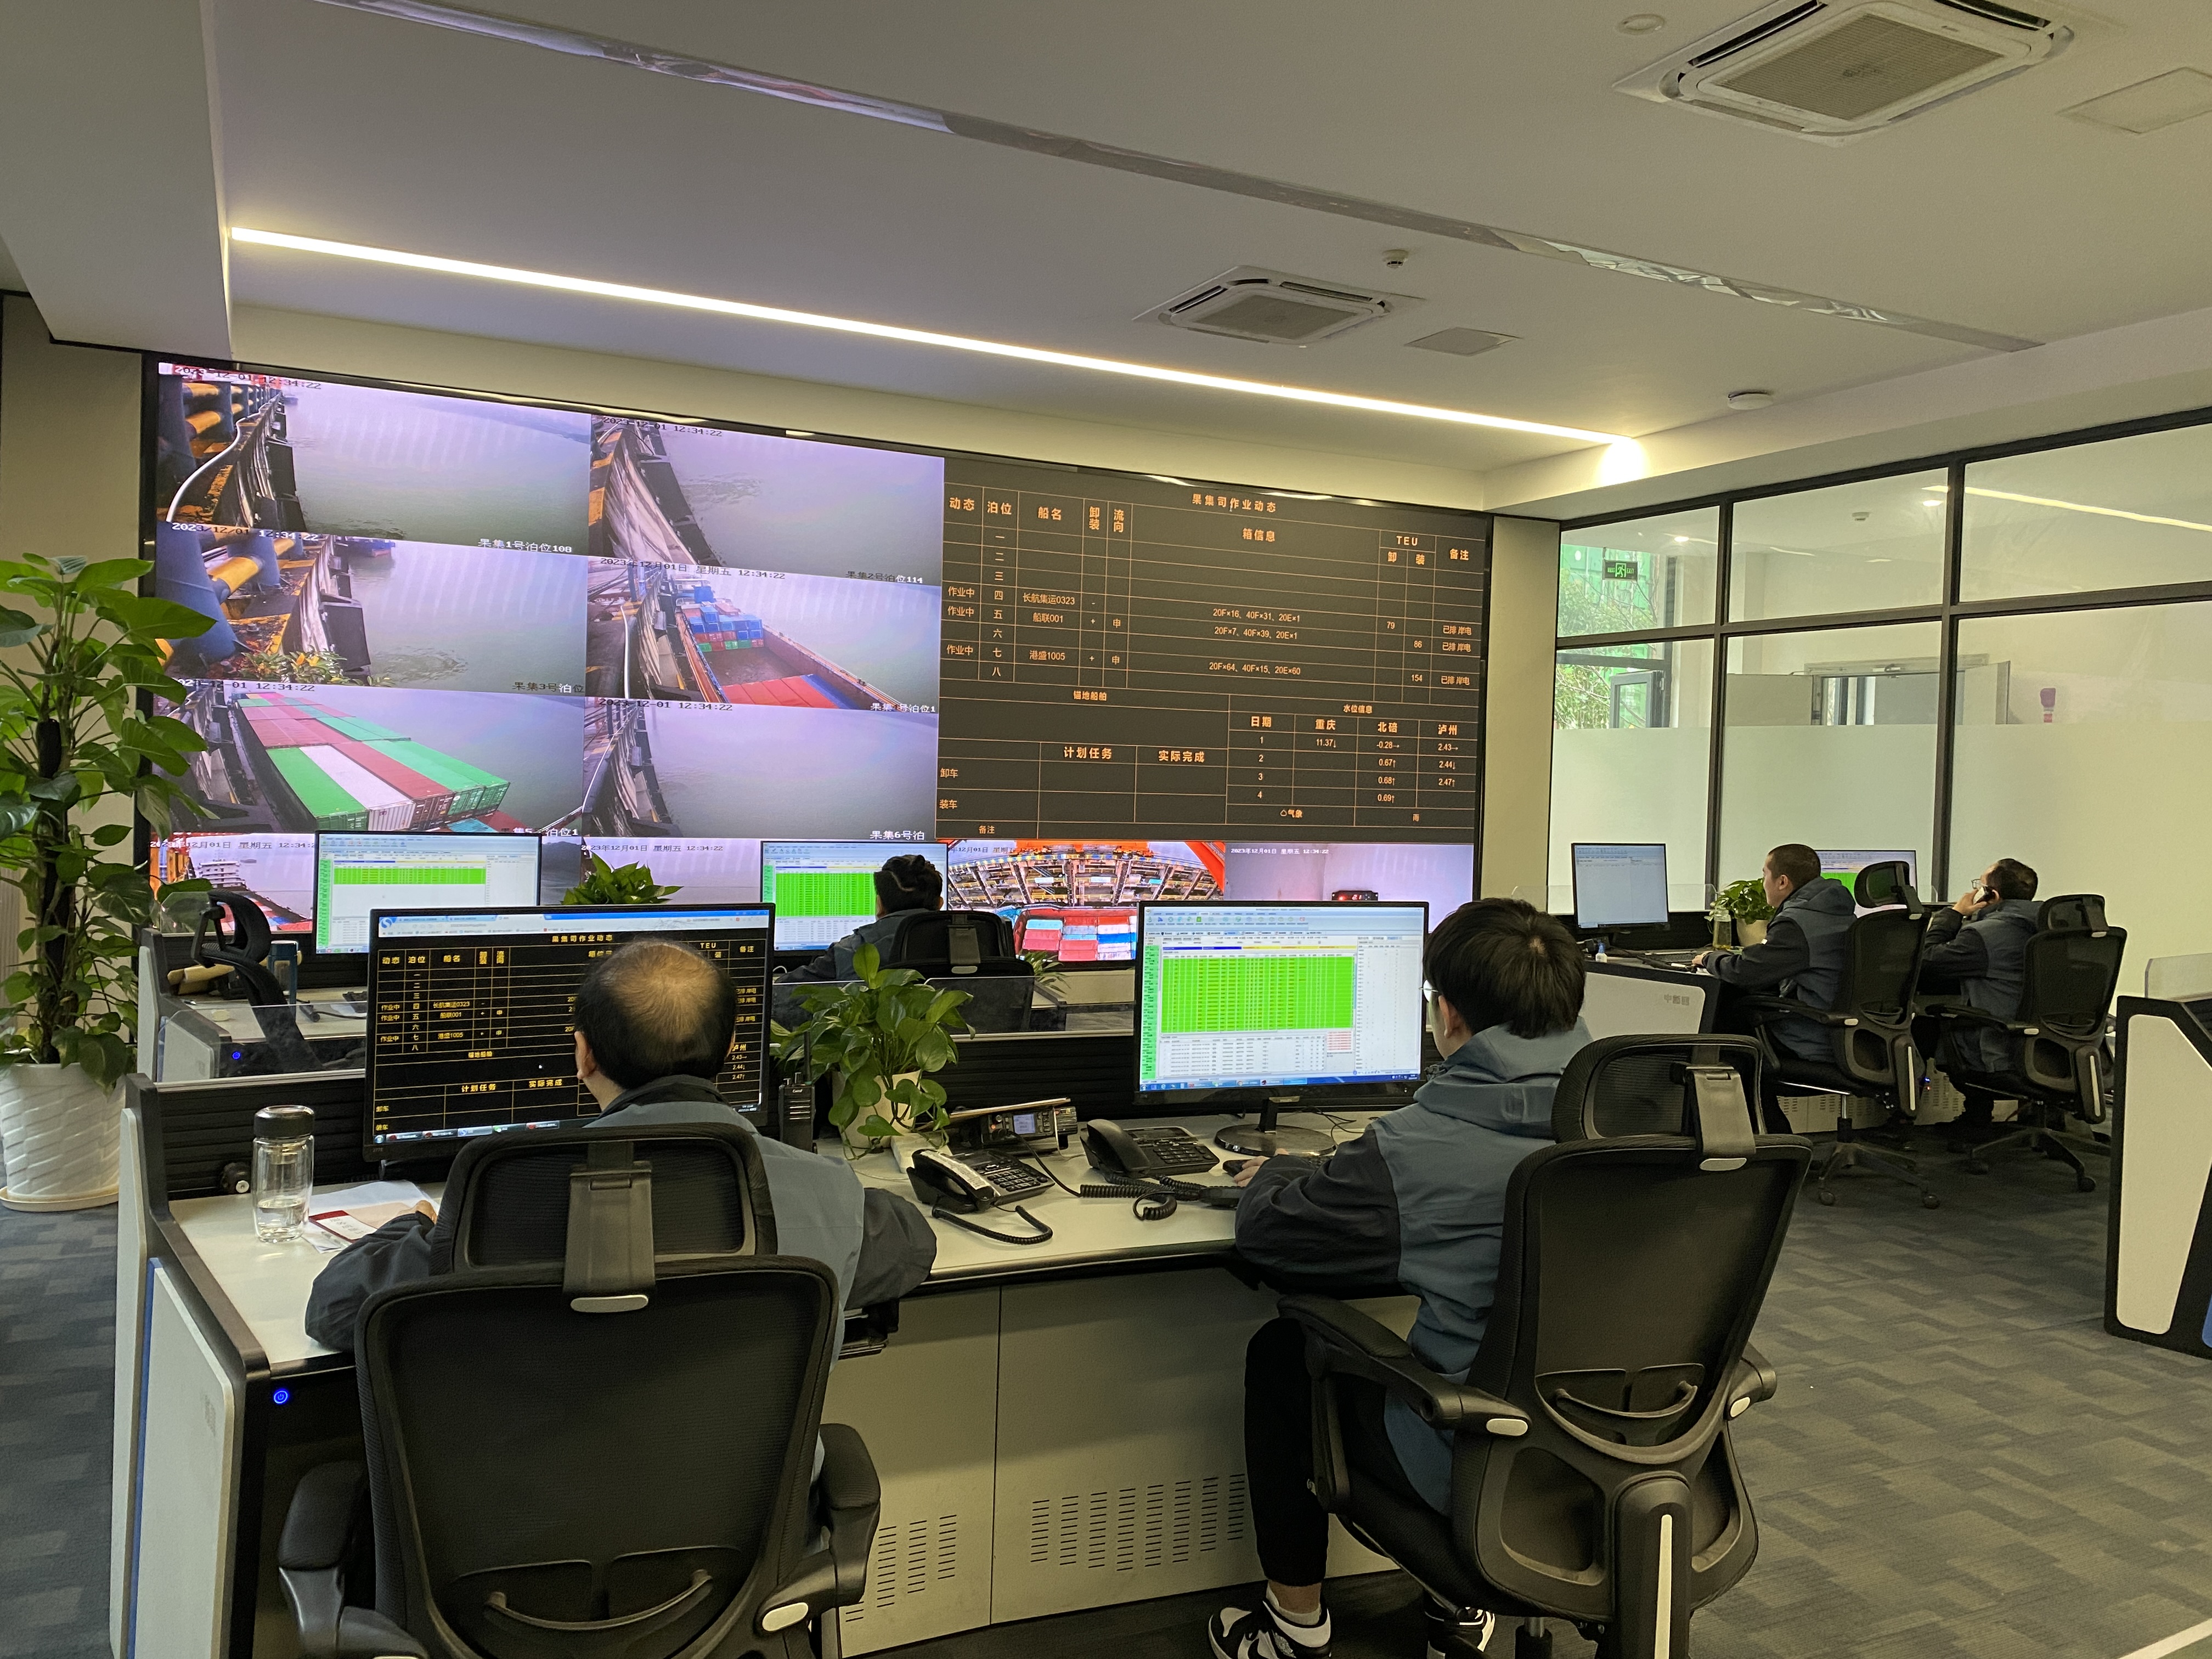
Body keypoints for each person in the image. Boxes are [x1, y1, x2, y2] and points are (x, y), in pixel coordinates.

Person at [1209, 898, 1592, 1659]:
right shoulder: (1648, 1119)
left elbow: (1270, 1237)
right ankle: (1453, 1607)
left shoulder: (1414, 1147)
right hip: (1627, 1452)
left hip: (1476, 1461)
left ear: (1447, 1013)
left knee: (1285, 1355)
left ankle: (1294, 1630)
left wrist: (1278, 1171)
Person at [305, 939, 935, 1351]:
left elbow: (334, 1310)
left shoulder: (502, 1196)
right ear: (730, 1051)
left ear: (583, 1054)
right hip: (752, 1516)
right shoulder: (823, 1189)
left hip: (526, 1515)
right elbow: (913, 1246)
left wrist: (419, 1227)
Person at [1693, 843, 1855, 1079]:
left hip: (1811, 1037)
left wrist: (1710, 959)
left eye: (1765, 875)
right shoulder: (1840, 912)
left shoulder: (1797, 922)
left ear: (1782, 882)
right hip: (1848, 1035)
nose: (1763, 883)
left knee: (1725, 1031)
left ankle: (1755, 1104)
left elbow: (1746, 972)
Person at [1914, 857, 2041, 1139]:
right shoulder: (2052, 928)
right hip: (2050, 1049)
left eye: (1979, 886)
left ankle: (1907, 1119)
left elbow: (1924, 961)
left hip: (2001, 1051)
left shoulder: (1983, 936)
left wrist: (1954, 914)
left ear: (1990, 895)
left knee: (1920, 1027)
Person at [781, 853, 945, 981]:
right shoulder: (958, 944)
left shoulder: (849, 951)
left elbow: (782, 993)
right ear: (940, 904)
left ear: (880, 906)